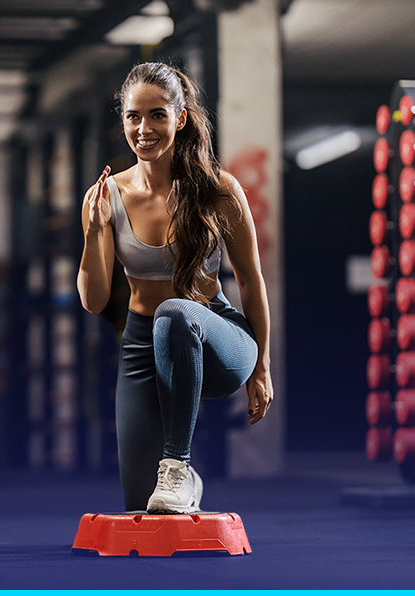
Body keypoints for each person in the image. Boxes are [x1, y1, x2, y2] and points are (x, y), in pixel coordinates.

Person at [77, 62, 274, 514]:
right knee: (141, 507)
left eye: (157, 115)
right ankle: (181, 478)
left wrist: (262, 368)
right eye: (133, 116)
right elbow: (93, 302)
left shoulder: (218, 189)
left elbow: (250, 280)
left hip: (217, 339)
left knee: (175, 312)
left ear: (179, 118)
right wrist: (93, 234)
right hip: (141, 346)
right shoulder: (108, 195)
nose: (143, 128)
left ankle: (179, 465)